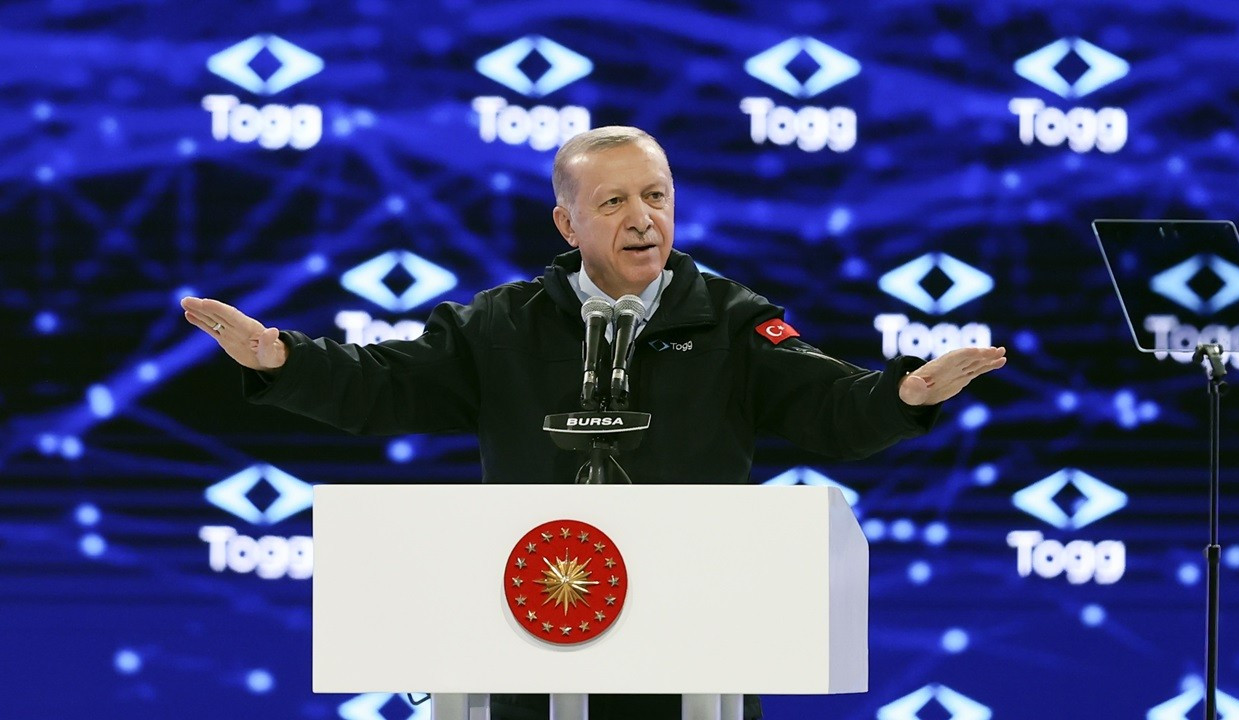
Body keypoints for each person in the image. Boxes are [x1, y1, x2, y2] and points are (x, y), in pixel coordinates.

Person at [181, 126, 1006, 720]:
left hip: (693, 656)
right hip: (528, 649)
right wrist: (281, 359)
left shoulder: (732, 319)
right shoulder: (501, 325)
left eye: (657, 196)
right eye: (614, 202)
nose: (643, 218)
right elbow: (382, 387)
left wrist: (905, 396)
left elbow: (833, 410)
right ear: (567, 224)